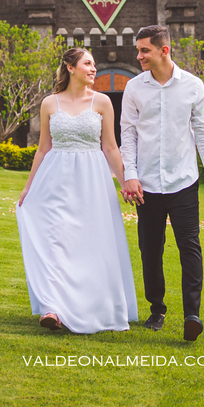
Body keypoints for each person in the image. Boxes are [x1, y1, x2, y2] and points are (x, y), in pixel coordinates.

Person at [16, 47, 138, 334]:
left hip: (91, 181)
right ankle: (52, 308)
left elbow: (110, 147)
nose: (94, 69)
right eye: (87, 63)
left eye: (94, 64)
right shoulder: (49, 103)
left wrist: (125, 183)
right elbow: (43, 148)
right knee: (55, 240)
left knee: (89, 243)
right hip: (54, 180)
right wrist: (28, 187)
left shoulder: (103, 102)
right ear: (70, 68)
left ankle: (90, 305)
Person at [120, 25, 204, 342]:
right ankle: (157, 308)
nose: (139, 56)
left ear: (164, 50)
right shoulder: (134, 88)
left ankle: (193, 314)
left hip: (183, 182)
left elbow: (203, 132)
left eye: (144, 50)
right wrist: (130, 174)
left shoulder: (193, 86)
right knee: (150, 250)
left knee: (189, 247)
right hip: (146, 185)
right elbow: (128, 135)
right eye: (138, 50)